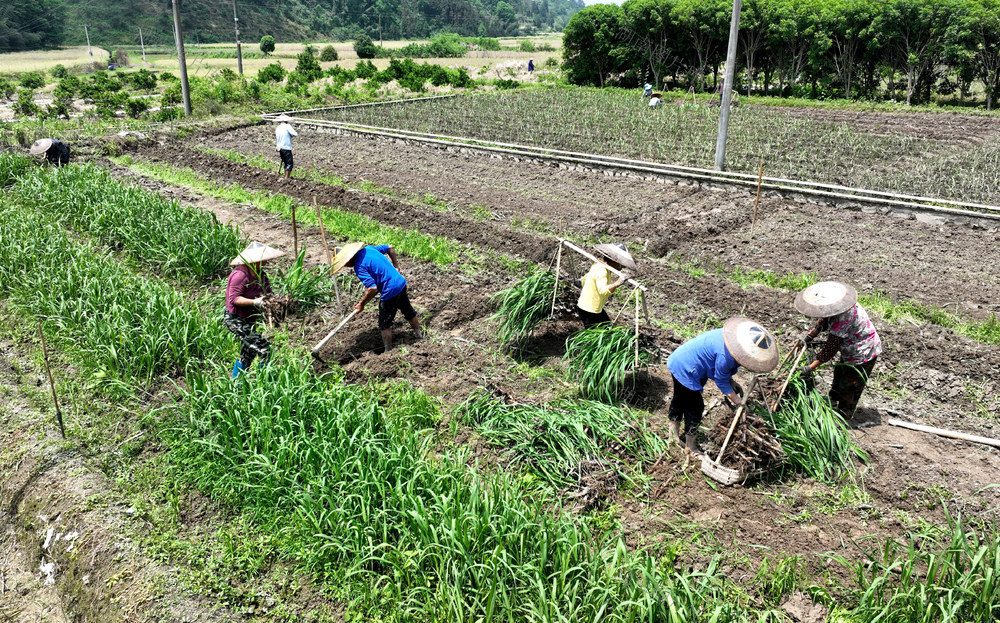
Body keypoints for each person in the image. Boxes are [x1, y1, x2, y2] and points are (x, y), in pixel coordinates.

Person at [666, 317, 779, 454]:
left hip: (680, 360)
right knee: (695, 407)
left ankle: (673, 435)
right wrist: (738, 403)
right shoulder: (726, 356)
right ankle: (691, 447)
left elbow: (722, 372)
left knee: (681, 399)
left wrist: (732, 382)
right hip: (686, 368)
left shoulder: (732, 340)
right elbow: (720, 380)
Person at [795, 281, 882, 418]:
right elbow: (825, 319)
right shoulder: (836, 308)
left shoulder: (843, 317)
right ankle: (833, 402)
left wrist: (810, 368)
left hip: (863, 351)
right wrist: (811, 335)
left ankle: (843, 416)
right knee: (839, 374)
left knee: (850, 385)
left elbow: (830, 349)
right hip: (851, 348)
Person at [331, 242, 422, 352]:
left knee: (384, 324)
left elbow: (372, 288)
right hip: (400, 282)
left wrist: (362, 304)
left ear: (349, 259)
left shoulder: (359, 267)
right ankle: (419, 336)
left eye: (344, 263)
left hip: (390, 290)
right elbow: (390, 247)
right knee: (408, 311)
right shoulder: (369, 249)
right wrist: (396, 266)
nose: (346, 266)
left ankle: (388, 351)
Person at [224, 242, 286, 378]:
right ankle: (264, 383)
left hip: (250, 318)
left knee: (248, 353)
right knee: (265, 349)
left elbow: (268, 293)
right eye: (263, 259)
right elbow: (234, 299)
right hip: (236, 320)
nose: (266, 261)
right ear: (256, 260)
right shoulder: (240, 275)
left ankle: (237, 385)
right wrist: (255, 302)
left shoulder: (261, 274)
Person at [576, 243, 637, 329]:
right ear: (615, 261)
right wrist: (618, 282)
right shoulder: (602, 270)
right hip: (590, 310)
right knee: (595, 334)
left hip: (590, 306)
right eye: (619, 263)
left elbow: (586, 279)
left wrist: (582, 281)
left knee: (608, 327)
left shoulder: (598, 264)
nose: (620, 266)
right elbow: (603, 291)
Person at [273, 114, 297, 179]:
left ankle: (285, 176)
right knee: (289, 163)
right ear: (286, 121)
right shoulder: (287, 126)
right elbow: (295, 134)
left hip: (279, 147)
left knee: (285, 162)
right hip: (286, 147)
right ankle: (286, 178)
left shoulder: (278, 128)